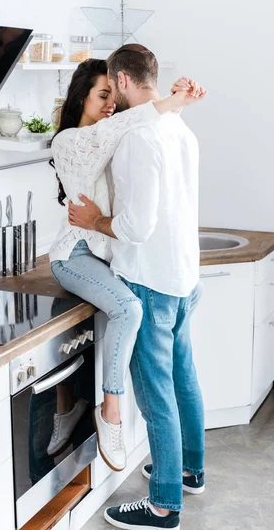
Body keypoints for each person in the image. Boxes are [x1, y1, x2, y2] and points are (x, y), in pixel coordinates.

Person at [68, 44, 207, 529]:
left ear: (122, 81)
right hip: (185, 276)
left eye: (111, 88)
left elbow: (136, 226)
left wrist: (92, 219)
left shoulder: (137, 137)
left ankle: (164, 504)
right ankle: (190, 470)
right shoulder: (178, 126)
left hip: (151, 280)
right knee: (184, 380)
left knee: (155, 396)